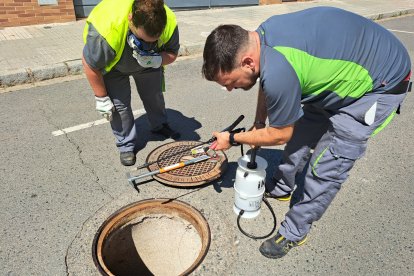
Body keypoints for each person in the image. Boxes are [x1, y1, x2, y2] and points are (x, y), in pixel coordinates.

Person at [202, 7, 411, 259]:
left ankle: (295, 231)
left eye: (230, 82)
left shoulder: (279, 69)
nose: (231, 90)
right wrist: (259, 121)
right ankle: (282, 187)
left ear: (247, 62)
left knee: (326, 165)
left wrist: (233, 138)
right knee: (301, 135)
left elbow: (280, 134)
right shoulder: (262, 40)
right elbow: (268, 83)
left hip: (379, 84)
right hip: (340, 75)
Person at [82, 0, 181, 166]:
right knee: (120, 107)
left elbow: (172, 53)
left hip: (149, 64)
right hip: (114, 69)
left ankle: (159, 124)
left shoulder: (168, 21)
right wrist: (101, 98)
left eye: (153, 41)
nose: (148, 45)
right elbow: (90, 65)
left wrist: (156, 59)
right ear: (130, 19)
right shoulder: (106, 31)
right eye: (143, 39)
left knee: (154, 96)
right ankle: (125, 144)